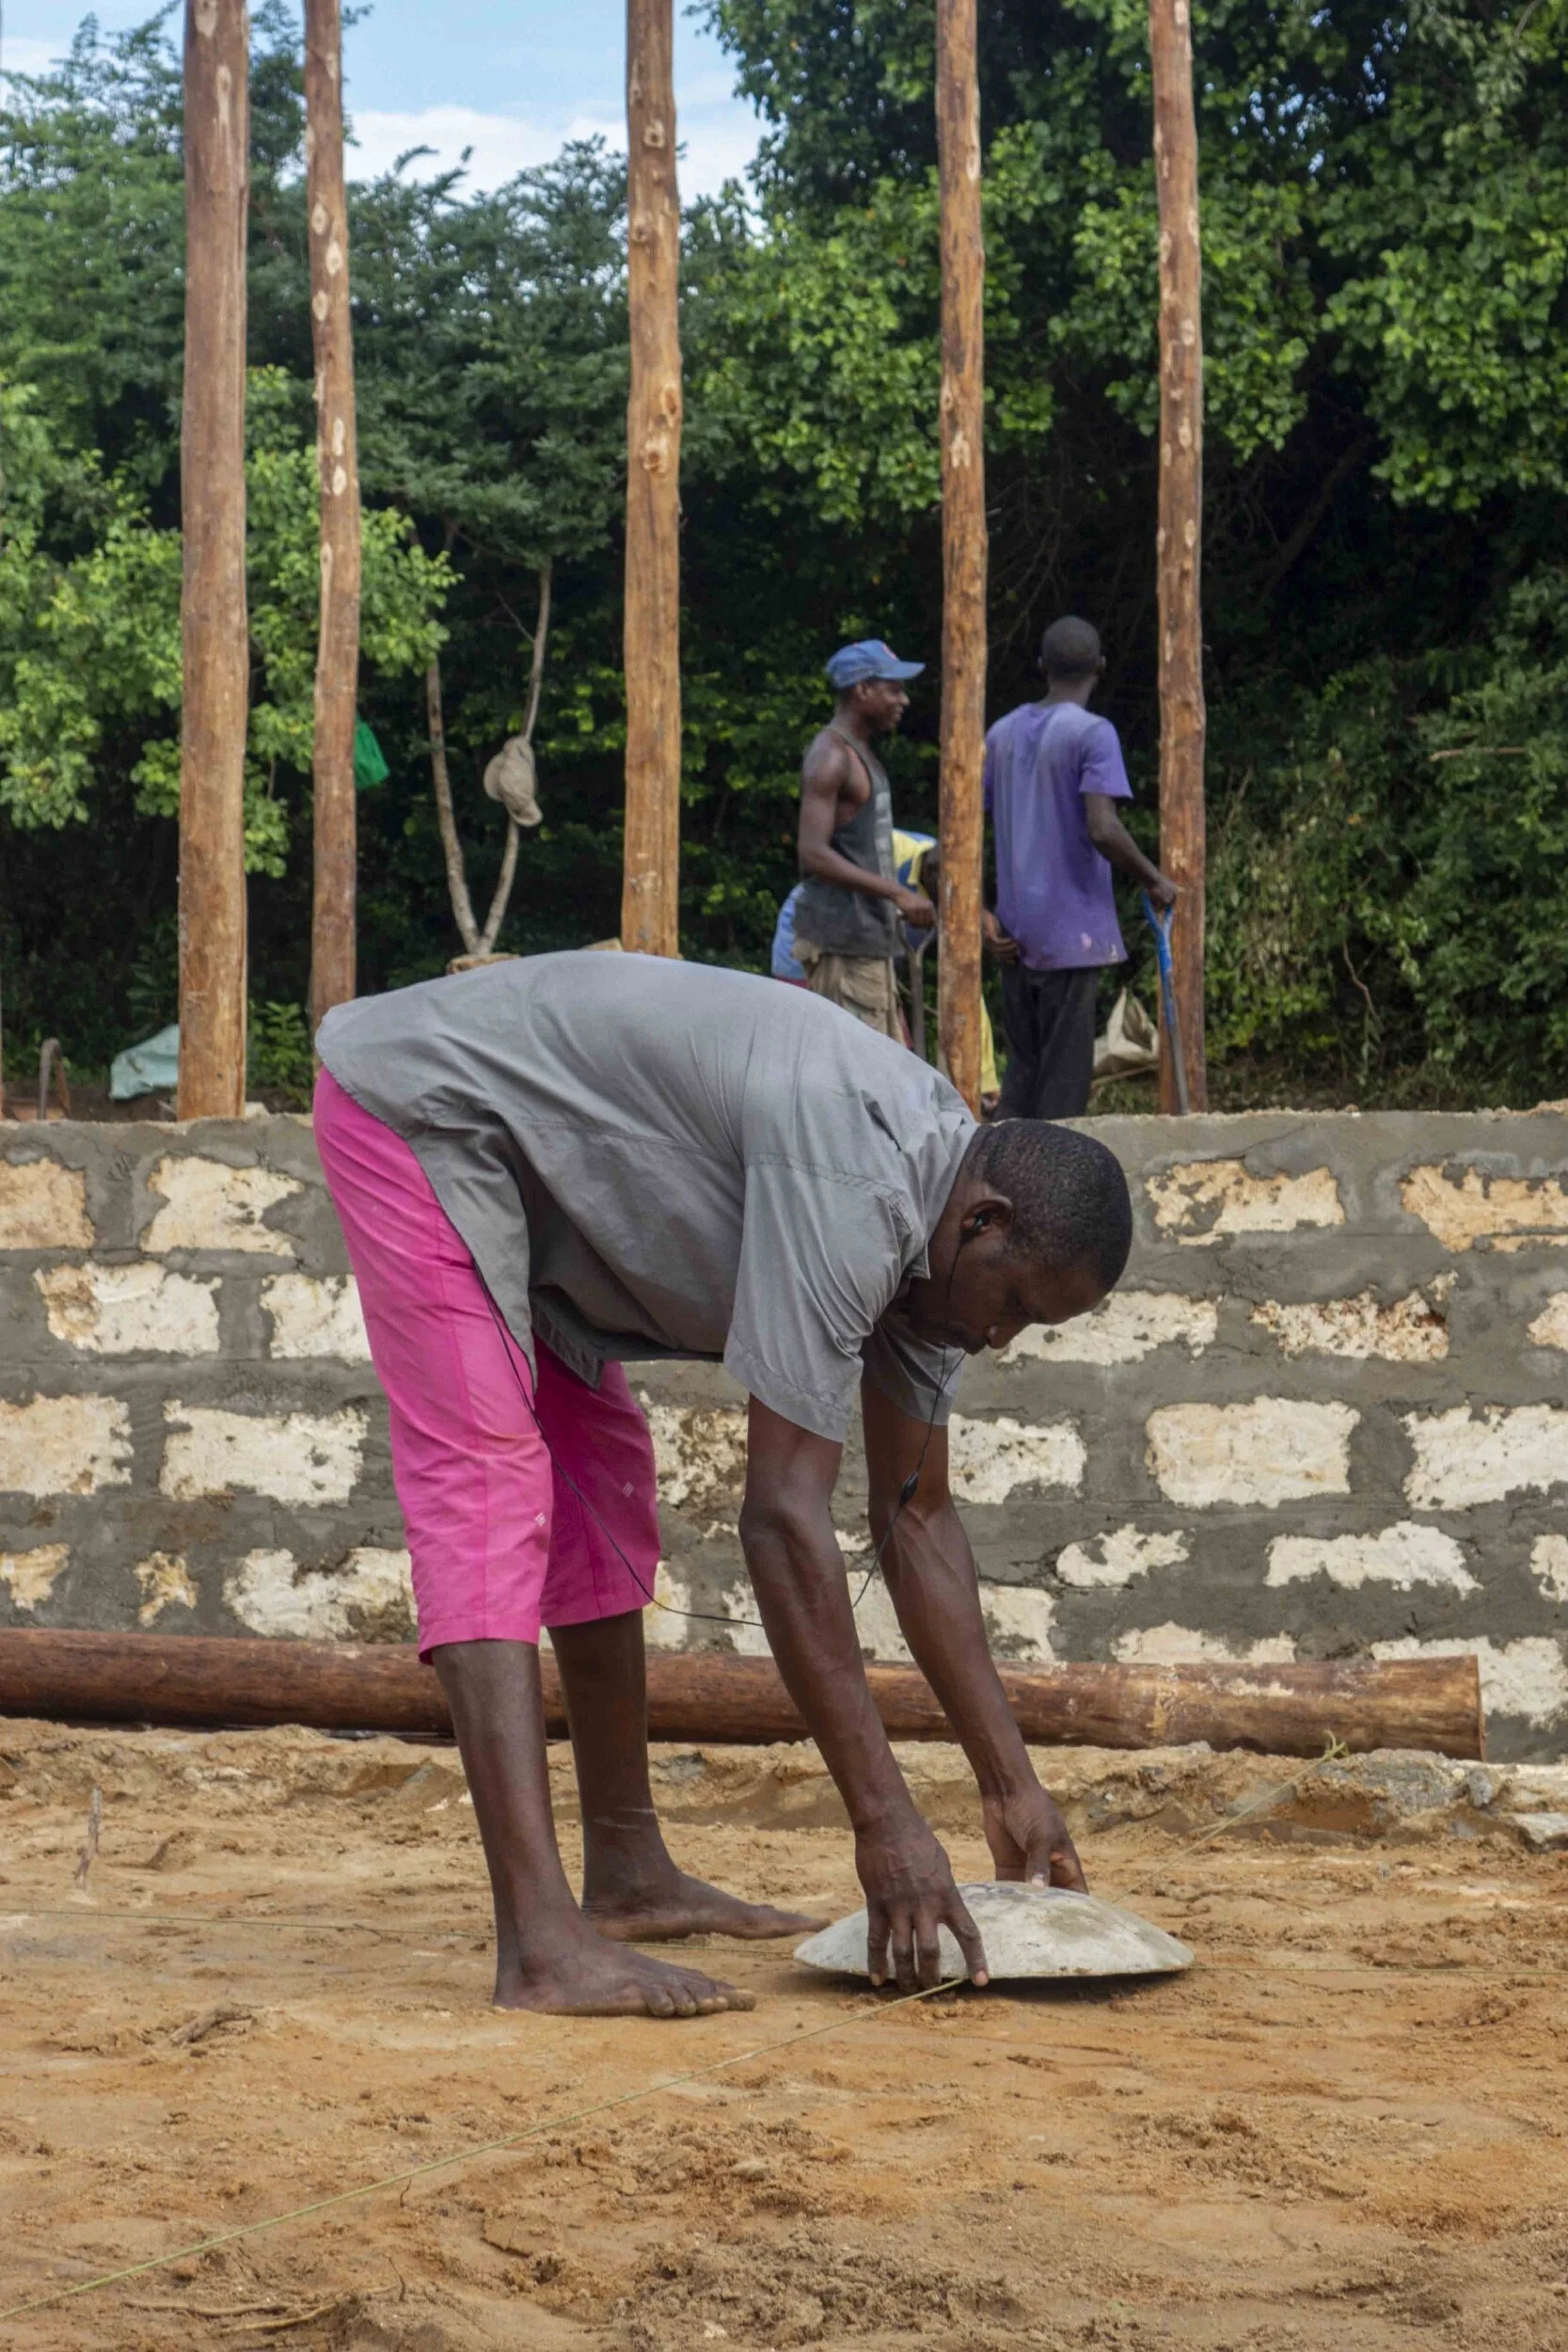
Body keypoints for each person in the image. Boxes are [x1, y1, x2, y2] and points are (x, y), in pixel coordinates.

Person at [315, 953, 1132, 2019]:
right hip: (428, 1108)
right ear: (982, 1222)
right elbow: (782, 1521)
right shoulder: (862, 1190)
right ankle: (540, 1946)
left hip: (537, 1172)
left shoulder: (939, 1258)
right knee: (488, 1482)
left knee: (604, 1477)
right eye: (1013, 1304)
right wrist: (885, 1822)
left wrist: (1012, 1785)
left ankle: (627, 1871)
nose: (999, 1338)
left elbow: (915, 1516)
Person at [984, 616, 1177, 1119]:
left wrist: (983, 913)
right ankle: (1051, 1167)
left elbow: (967, 832)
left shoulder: (1000, 734)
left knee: (1022, 1071)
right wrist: (1154, 879)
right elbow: (1102, 828)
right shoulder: (1093, 733)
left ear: (1042, 666)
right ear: (1100, 667)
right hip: (1070, 936)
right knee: (1064, 1084)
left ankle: (1002, 1163)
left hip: (1013, 932)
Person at [794, 640, 935, 1038]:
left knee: (878, 1063)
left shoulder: (859, 753)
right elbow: (812, 853)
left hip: (867, 942)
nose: (903, 700)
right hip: (844, 945)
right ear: (862, 689)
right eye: (894, 689)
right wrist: (899, 893)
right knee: (852, 1068)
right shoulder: (831, 755)